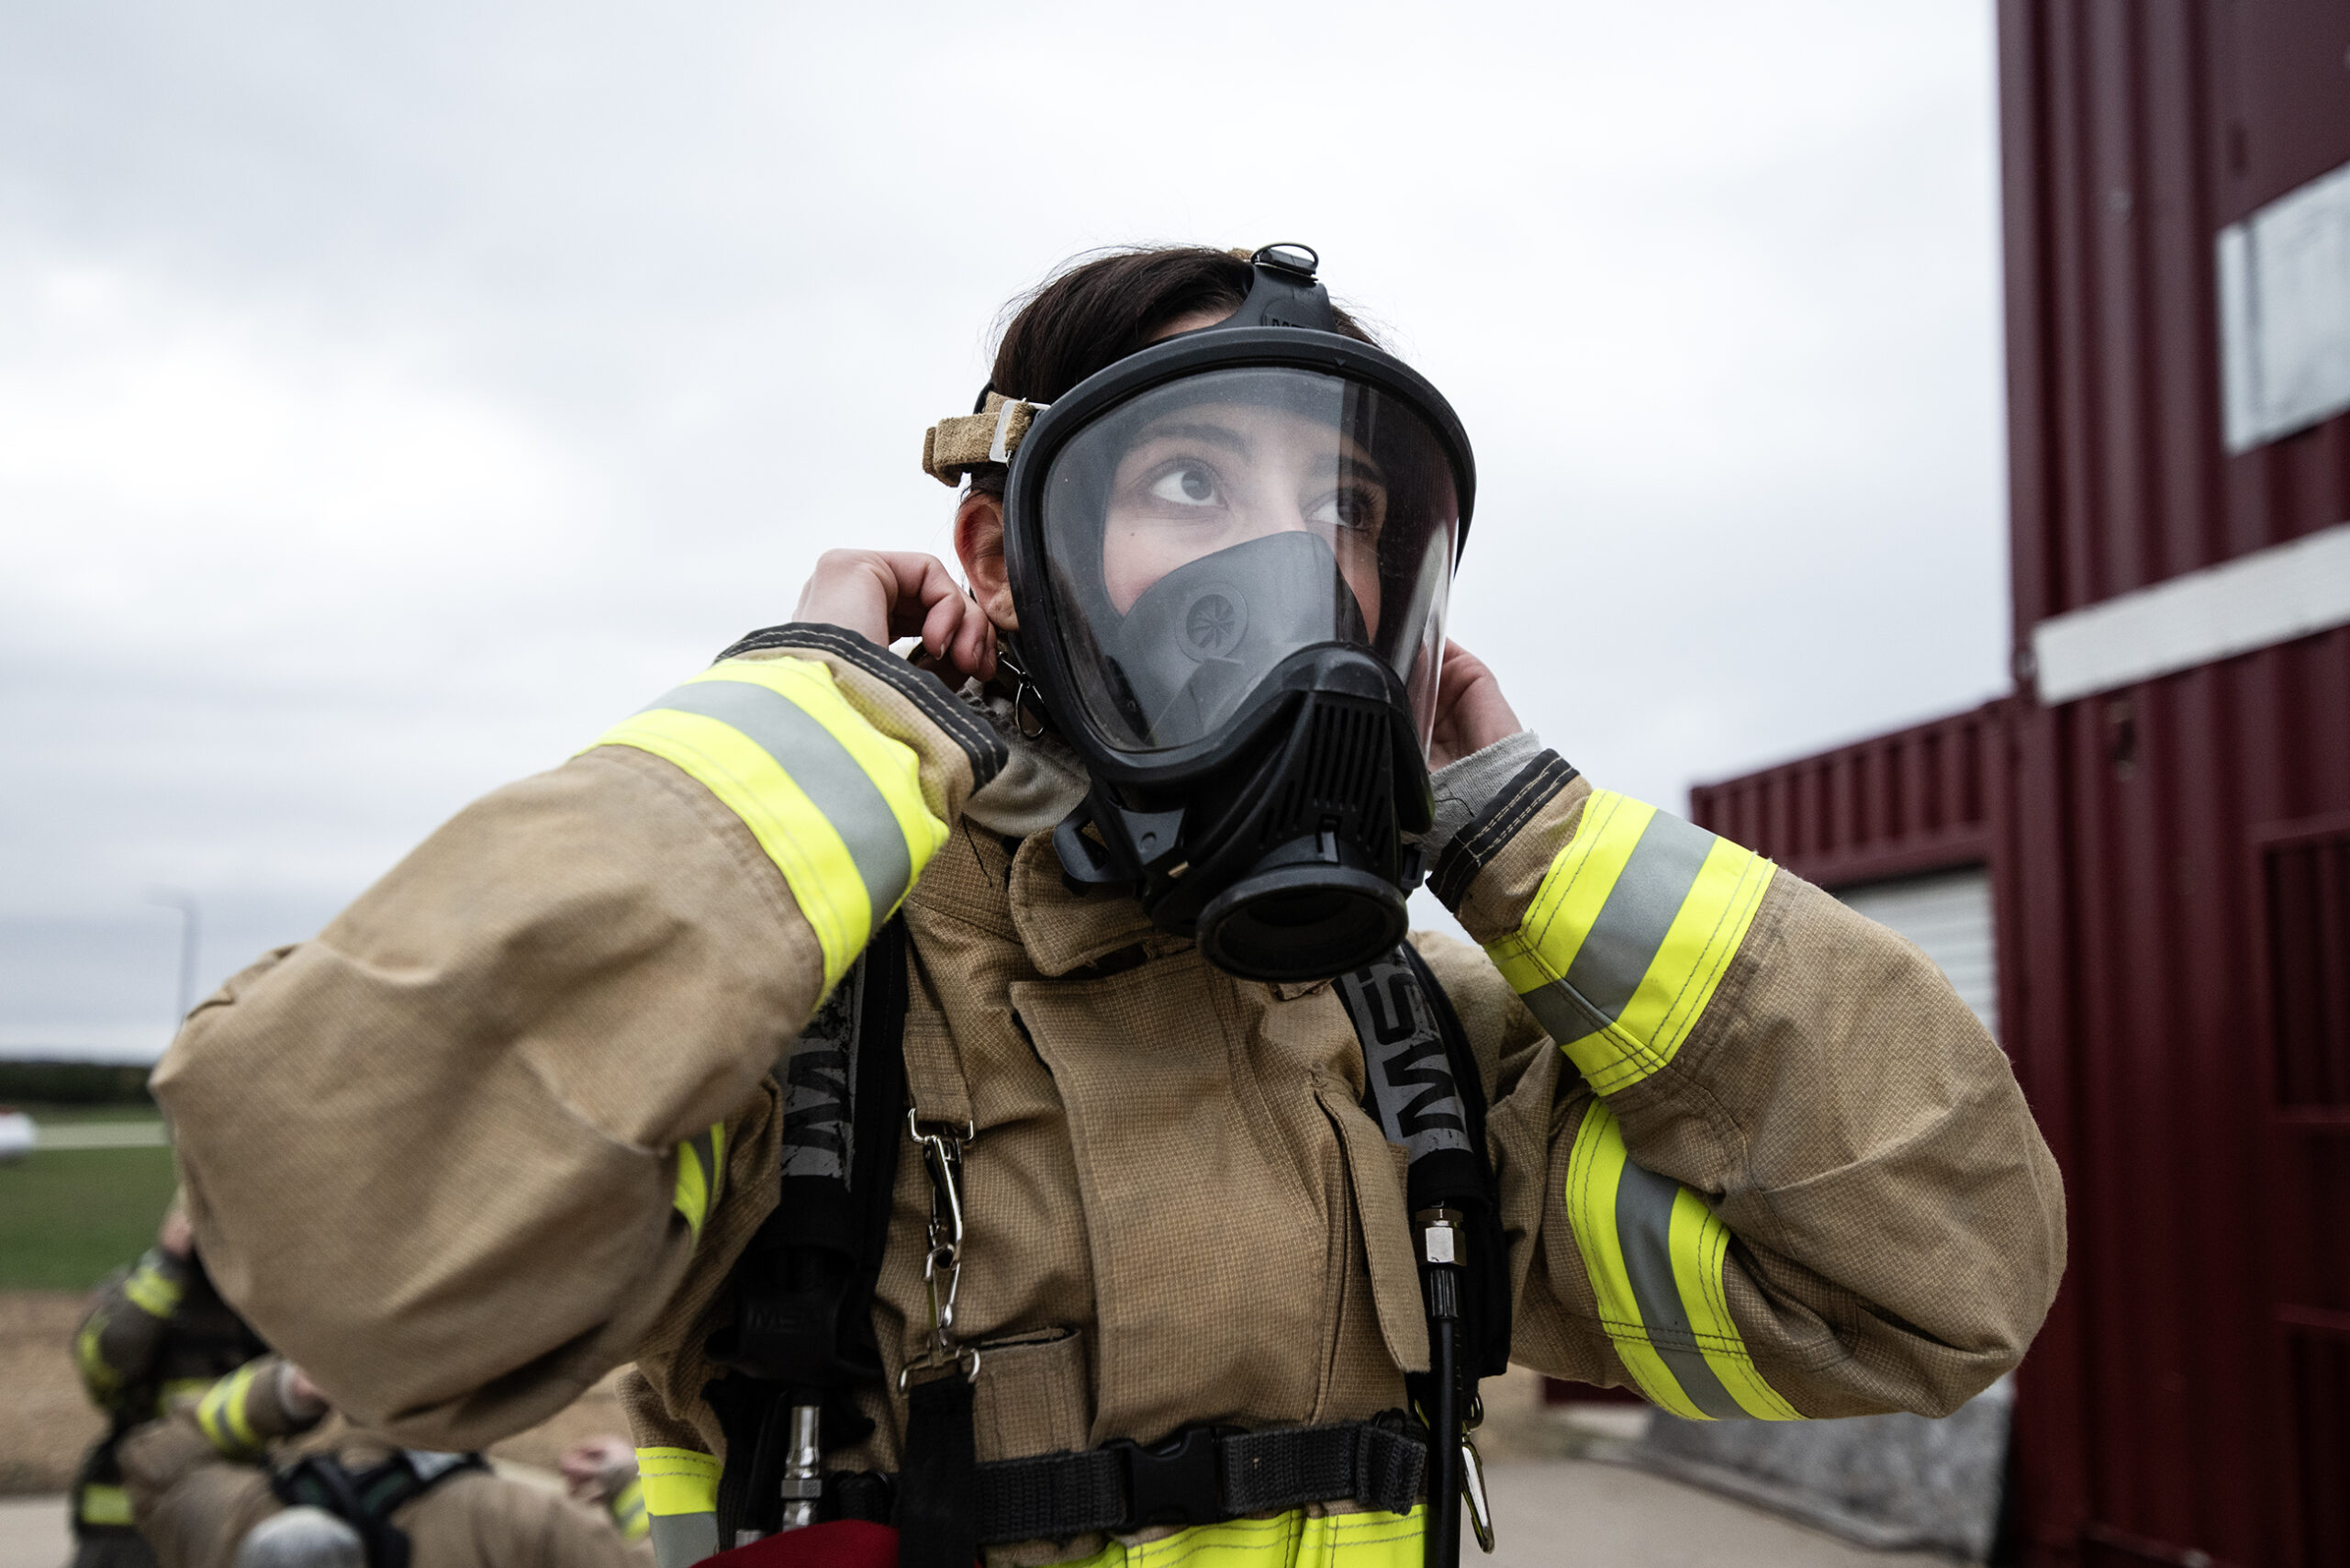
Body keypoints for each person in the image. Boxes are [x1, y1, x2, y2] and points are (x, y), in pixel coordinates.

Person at [151, 243, 2065, 1568]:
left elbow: (1932, 1281)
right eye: (1181, 473)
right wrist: (827, 708)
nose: (1278, 561)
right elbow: (352, 1243)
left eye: (1340, 508)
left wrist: (1519, 826)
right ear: (1002, 549)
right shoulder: (796, 1024)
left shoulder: (1418, 1057)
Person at [116, 1351, 654, 1567]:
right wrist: (629, 1484)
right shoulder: (517, 1521)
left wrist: (281, 1390)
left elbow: (152, 1467)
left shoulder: (241, 1513)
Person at [68, 1205, 267, 1566]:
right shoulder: (137, 1289)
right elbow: (107, 1366)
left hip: (235, 1512)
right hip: (128, 1532)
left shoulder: (267, 1300)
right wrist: (168, 1265)